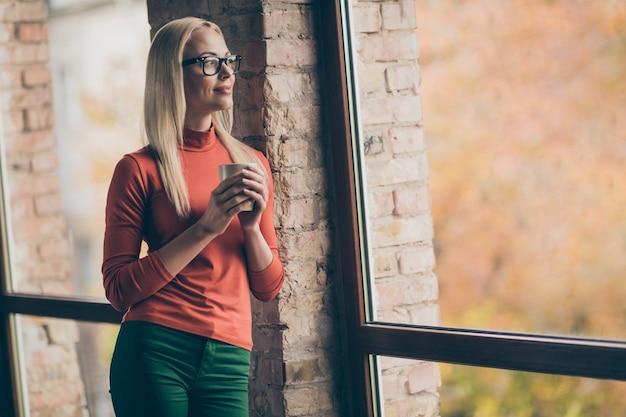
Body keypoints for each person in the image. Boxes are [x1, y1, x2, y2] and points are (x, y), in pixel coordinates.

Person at [102, 16, 285, 417]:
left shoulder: (250, 163)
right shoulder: (138, 168)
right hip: (155, 351)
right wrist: (205, 228)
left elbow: (268, 288)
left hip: (230, 357)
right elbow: (118, 289)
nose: (225, 72)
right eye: (208, 61)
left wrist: (250, 228)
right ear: (172, 75)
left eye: (227, 60)